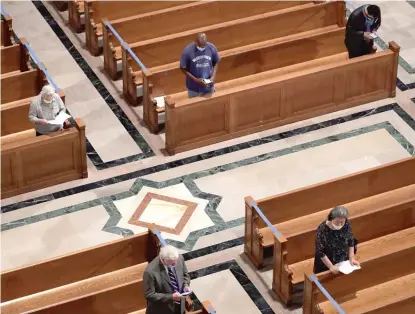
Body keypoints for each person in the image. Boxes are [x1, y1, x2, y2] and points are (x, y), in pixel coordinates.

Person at [143, 245, 191, 314]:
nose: (175, 264)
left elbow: (185, 275)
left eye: (176, 261)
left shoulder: (179, 258)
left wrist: (186, 285)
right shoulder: (150, 272)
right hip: (162, 310)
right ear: (163, 259)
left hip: (180, 308)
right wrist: (171, 297)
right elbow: (149, 294)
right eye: (172, 263)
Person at [313, 206, 360, 274]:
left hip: (343, 259)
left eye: (342, 222)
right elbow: (320, 252)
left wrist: (351, 258)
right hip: (327, 261)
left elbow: (351, 240)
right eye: (337, 222)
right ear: (332, 218)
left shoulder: (346, 223)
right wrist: (331, 266)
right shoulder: (322, 229)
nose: (340, 224)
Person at [180, 33, 220, 98]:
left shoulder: (211, 47)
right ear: (195, 42)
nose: (203, 48)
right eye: (201, 46)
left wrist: (213, 76)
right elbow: (182, 68)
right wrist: (196, 80)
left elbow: (216, 62)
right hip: (194, 88)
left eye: (204, 45)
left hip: (209, 86)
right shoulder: (187, 51)